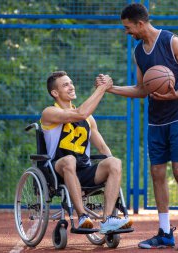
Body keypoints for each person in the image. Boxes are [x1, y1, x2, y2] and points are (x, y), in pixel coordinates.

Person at [99, 3, 178, 250]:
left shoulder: (171, 41)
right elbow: (141, 89)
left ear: (140, 24)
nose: (127, 32)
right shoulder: (139, 52)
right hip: (156, 118)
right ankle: (165, 232)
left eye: (128, 27)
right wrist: (110, 88)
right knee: (157, 173)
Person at [40, 71, 132, 234]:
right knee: (69, 160)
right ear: (55, 93)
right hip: (57, 170)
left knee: (115, 162)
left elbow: (103, 149)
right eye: (65, 85)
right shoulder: (49, 112)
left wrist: (113, 174)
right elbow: (79, 113)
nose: (71, 86)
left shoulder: (89, 119)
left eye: (71, 83)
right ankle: (82, 216)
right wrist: (102, 89)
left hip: (83, 170)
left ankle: (108, 219)